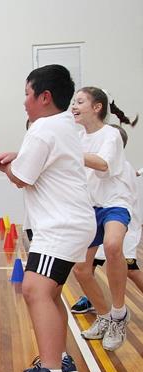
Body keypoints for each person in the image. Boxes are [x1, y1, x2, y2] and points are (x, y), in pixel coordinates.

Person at [0, 64, 95, 372]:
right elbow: (45, 159)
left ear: (44, 97)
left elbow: (23, 177)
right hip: (71, 223)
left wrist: (8, 165)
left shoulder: (43, 128)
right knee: (48, 293)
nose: (24, 102)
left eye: (26, 94)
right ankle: (59, 362)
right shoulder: (63, 125)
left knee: (35, 290)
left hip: (60, 226)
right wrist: (18, 156)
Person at [71, 88, 138, 351]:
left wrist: (66, 151)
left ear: (97, 107)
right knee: (81, 270)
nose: (73, 106)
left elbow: (102, 164)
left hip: (115, 202)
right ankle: (104, 316)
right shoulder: (76, 137)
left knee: (112, 246)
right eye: (73, 102)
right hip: (90, 207)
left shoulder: (110, 134)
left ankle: (119, 314)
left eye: (79, 102)